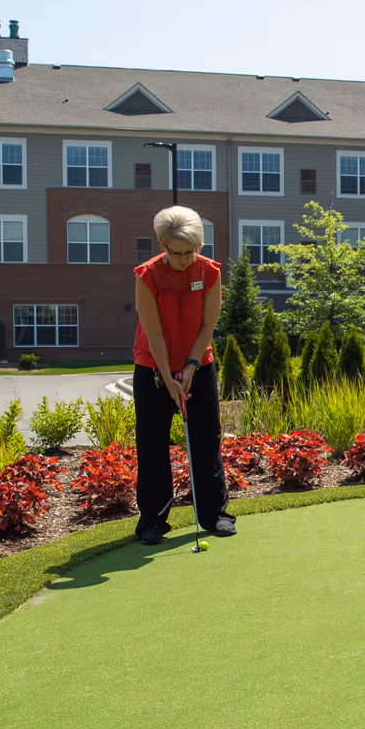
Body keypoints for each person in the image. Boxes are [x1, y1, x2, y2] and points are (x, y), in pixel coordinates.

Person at [133, 206, 234, 544]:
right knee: (152, 444)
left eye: (189, 252)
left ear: (198, 247)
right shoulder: (147, 275)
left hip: (198, 364)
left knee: (207, 440)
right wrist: (168, 377)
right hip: (153, 367)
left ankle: (214, 515)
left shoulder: (209, 272)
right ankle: (152, 522)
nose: (182, 259)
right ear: (163, 244)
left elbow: (208, 325)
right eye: (175, 252)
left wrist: (190, 368)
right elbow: (154, 333)